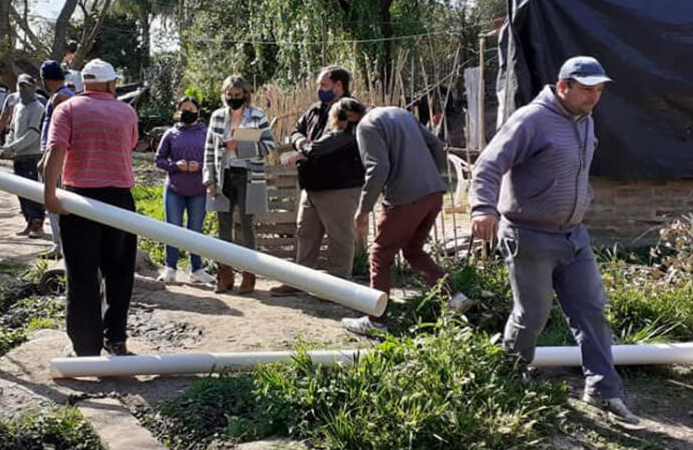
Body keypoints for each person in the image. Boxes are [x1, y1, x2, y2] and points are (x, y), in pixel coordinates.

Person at [469, 56, 639, 424]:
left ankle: (603, 391)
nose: (594, 97)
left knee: (592, 312)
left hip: (574, 236)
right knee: (532, 316)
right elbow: (489, 164)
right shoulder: (531, 120)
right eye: (587, 90)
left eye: (599, 90)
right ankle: (506, 380)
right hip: (529, 235)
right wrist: (483, 208)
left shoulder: (585, 120)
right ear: (563, 86)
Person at [342, 104, 473, 335]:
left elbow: (378, 168)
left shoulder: (366, 126)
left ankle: (376, 321)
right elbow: (436, 145)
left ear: (351, 116)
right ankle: (454, 297)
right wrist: (434, 177)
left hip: (405, 199)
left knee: (380, 255)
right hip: (433, 194)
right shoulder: (401, 113)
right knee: (413, 250)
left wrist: (364, 209)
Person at [43, 59, 139, 356]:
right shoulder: (126, 112)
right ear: (111, 84)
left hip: (79, 200)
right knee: (119, 273)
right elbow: (130, 145)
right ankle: (116, 339)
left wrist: (50, 195)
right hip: (119, 199)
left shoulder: (67, 109)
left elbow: (55, 150)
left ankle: (85, 348)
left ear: (84, 83)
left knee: (82, 274)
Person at [271, 67, 364, 296]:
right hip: (311, 186)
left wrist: (306, 151)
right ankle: (300, 281)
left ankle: (338, 287)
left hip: (339, 187)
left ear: (339, 85)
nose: (319, 89)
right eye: (318, 85)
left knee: (339, 237)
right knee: (306, 234)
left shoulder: (351, 110)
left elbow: (337, 141)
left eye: (324, 85)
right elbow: (296, 131)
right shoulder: (314, 110)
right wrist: (301, 142)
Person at [203, 75, 276, 294]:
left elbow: (269, 145)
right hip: (223, 175)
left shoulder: (257, 116)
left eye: (237, 94)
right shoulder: (217, 116)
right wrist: (209, 180)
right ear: (224, 95)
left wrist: (240, 145)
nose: (233, 98)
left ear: (245, 94)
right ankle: (224, 274)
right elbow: (208, 149)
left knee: (246, 225)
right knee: (223, 225)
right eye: (229, 94)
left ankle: (249, 274)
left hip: (248, 176)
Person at [155, 97, 215, 285]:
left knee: (195, 230)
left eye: (191, 109)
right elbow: (159, 159)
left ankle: (196, 269)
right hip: (174, 189)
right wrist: (175, 166)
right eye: (184, 109)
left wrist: (200, 167)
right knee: (172, 228)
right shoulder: (170, 134)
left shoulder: (206, 134)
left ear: (198, 112)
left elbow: (214, 159)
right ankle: (170, 268)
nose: (187, 112)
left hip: (199, 189)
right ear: (178, 112)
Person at [0, 74, 46, 238]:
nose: (22, 89)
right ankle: (28, 221)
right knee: (21, 191)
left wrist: (12, 148)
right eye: (20, 86)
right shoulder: (18, 107)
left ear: (33, 88)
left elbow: (33, 133)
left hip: (32, 155)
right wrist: (8, 145)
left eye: (26, 86)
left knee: (32, 192)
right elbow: (12, 129)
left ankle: (37, 224)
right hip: (19, 155)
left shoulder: (38, 108)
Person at [38, 60, 75, 259]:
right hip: (55, 155)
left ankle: (59, 245)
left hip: (54, 156)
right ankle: (61, 244)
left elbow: (58, 132)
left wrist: (46, 158)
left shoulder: (60, 97)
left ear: (45, 79)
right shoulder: (66, 95)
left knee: (53, 199)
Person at [0, 81, 46, 147]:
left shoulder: (40, 100)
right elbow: (4, 116)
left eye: (25, 87)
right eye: (20, 86)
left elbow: (46, 120)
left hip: (35, 138)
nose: (23, 89)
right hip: (16, 133)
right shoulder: (11, 98)